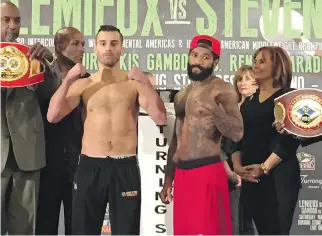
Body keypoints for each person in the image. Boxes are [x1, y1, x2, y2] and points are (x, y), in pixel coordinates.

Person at [46, 25, 167, 235]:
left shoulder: (134, 84)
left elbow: (160, 117)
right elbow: (52, 116)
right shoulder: (84, 84)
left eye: (113, 43)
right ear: (96, 49)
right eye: (103, 44)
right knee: (83, 231)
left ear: (122, 49)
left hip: (125, 165)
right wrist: (67, 80)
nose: (108, 48)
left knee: (126, 231)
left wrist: (146, 84)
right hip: (90, 165)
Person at [160, 35, 244, 235]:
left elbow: (237, 133)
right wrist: (168, 179)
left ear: (215, 61)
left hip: (208, 171)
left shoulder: (222, 89)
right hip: (182, 174)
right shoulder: (182, 94)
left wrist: (214, 109)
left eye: (205, 57)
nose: (198, 61)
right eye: (194, 55)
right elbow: (177, 138)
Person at [1, 1, 60, 234]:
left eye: (17, 20)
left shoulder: (30, 57)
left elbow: (53, 95)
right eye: (6, 20)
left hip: (27, 155)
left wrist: (49, 64)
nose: (13, 26)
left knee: (25, 229)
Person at [232, 46, 302, 235]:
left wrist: (264, 168)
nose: (256, 65)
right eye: (255, 60)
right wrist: (237, 165)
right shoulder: (249, 101)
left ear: (277, 66)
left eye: (262, 61)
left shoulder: (290, 98)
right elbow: (239, 138)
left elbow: (289, 142)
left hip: (279, 178)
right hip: (251, 178)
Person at [35, 27, 85, 235]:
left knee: (79, 228)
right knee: (45, 228)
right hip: (46, 164)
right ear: (59, 47)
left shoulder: (88, 80)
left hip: (79, 166)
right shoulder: (38, 76)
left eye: (83, 44)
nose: (81, 49)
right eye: (75, 44)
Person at [221, 65, 257, 235]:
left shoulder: (263, 109)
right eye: (240, 79)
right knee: (233, 219)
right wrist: (231, 170)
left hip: (255, 169)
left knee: (250, 220)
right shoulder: (230, 108)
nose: (243, 83)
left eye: (248, 79)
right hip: (230, 170)